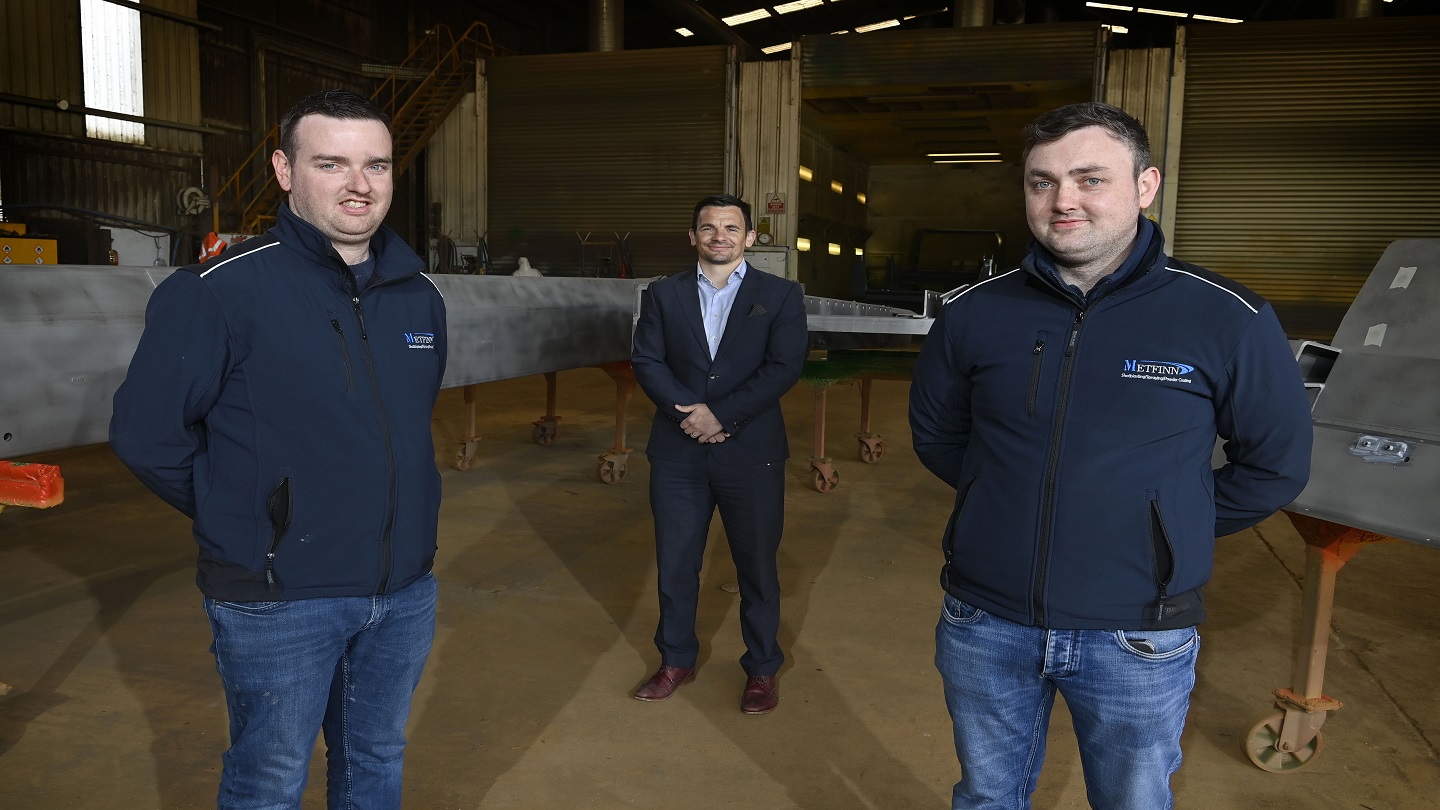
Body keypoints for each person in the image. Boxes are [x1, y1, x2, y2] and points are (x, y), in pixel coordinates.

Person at [908, 102, 1313, 809]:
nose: (1062, 200)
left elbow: (1275, 463)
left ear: (1145, 185)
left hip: (1136, 633)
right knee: (986, 798)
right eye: (1042, 182)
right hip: (986, 620)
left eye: (1090, 179)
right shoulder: (974, 310)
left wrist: (1167, 524)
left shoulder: (1225, 316)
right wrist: (1000, 500)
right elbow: (939, 435)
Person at [110, 89, 447, 809]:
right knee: (269, 779)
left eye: (376, 165)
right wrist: (251, 518)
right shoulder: (217, 292)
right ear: (285, 171)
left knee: (376, 760)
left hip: (402, 591)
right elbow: (146, 435)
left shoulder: (419, 297)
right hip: (281, 599)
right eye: (331, 163)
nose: (359, 184)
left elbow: (404, 426)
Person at [630, 193, 808, 715]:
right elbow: (647, 360)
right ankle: (675, 661)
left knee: (757, 566)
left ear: (750, 237)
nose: (719, 236)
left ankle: (761, 668)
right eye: (708, 227)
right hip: (678, 452)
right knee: (676, 564)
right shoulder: (663, 294)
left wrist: (721, 416)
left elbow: (784, 366)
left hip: (751, 452)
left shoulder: (780, 294)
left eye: (731, 228)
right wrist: (690, 415)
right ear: (693, 236)